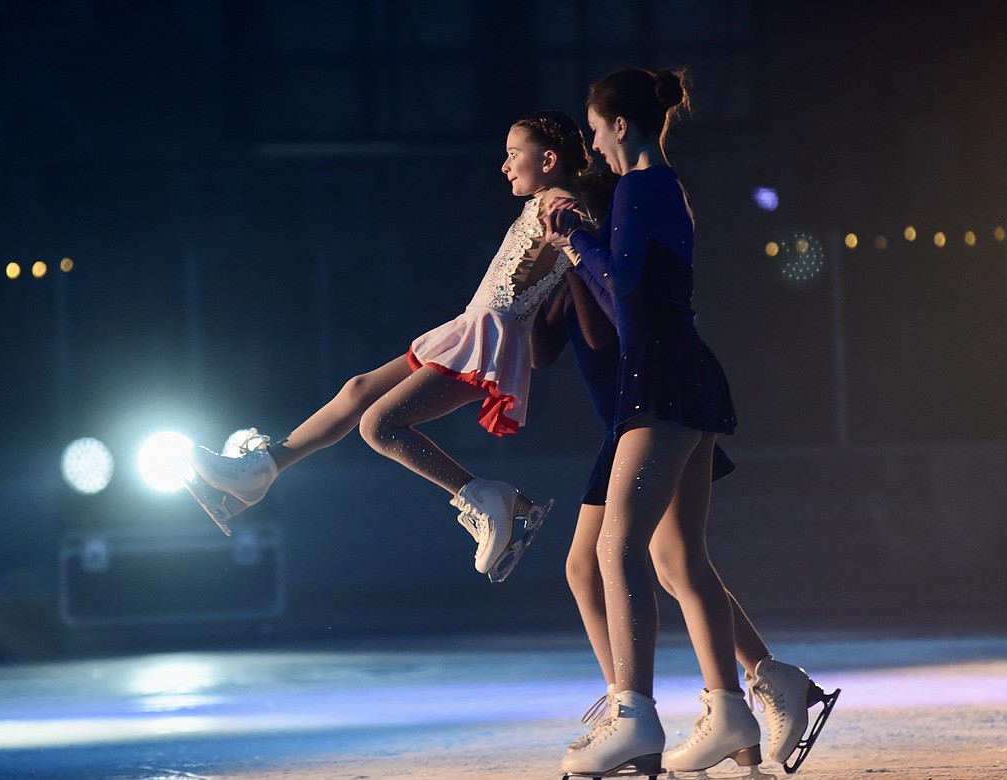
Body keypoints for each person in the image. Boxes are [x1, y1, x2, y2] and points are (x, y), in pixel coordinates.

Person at [182, 110, 596, 584]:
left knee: (378, 425)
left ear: (547, 159)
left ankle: (485, 496)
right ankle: (261, 471)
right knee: (358, 390)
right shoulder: (546, 199)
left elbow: (581, 241)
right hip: (473, 327)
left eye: (512, 154)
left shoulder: (559, 203)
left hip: (488, 337)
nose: (504, 165)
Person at [544, 67, 816, 778]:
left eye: (597, 130)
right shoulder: (658, 189)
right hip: (679, 372)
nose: (594, 145)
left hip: (662, 377)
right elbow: (625, 289)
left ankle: (634, 716)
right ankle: (739, 702)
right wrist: (585, 246)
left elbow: (625, 289)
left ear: (620, 125)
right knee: (677, 558)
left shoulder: (642, 187)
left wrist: (577, 239)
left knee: (616, 551)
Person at [530, 276, 838, 774]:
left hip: (652, 408)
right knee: (670, 561)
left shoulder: (593, 253)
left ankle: (634, 714)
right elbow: (541, 352)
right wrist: (527, 285)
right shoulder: (573, 261)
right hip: (641, 413)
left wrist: (569, 257)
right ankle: (767, 681)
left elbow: (602, 338)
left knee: (608, 563)